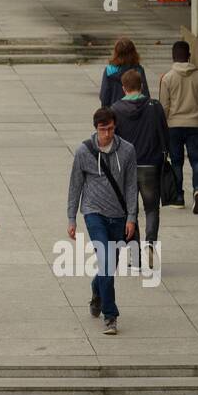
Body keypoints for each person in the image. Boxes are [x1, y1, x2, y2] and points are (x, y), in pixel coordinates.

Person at [66, 107, 138, 336]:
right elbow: (75, 185)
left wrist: (132, 217)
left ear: (115, 127)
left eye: (110, 128)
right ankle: (111, 316)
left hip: (118, 215)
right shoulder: (83, 151)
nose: (106, 133)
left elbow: (131, 185)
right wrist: (71, 218)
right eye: (102, 129)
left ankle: (97, 289)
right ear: (96, 129)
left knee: (110, 266)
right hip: (93, 212)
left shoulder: (127, 150)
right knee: (106, 261)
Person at [110, 69, 168, 266]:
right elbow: (164, 134)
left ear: (124, 88)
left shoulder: (115, 109)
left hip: (126, 169)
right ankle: (150, 244)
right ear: (141, 86)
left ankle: (134, 252)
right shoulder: (154, 106)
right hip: (150, 165)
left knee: (129, 211)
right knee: (152, 209)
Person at [158, 40, 198, 214]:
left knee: (177, 162)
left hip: (174, 126)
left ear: (173, 57)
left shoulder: (167, 78)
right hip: (195, 124)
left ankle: (178, 197)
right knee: (197, 160)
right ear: (189, 56)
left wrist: (163, 127)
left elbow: (164, 106)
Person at [99, 38, 150, 108]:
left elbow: (104, 97)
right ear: (133, 53)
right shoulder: (138, 70)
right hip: (136, 112)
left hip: (116, 111)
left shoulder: (109, 71)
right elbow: (145, 95)